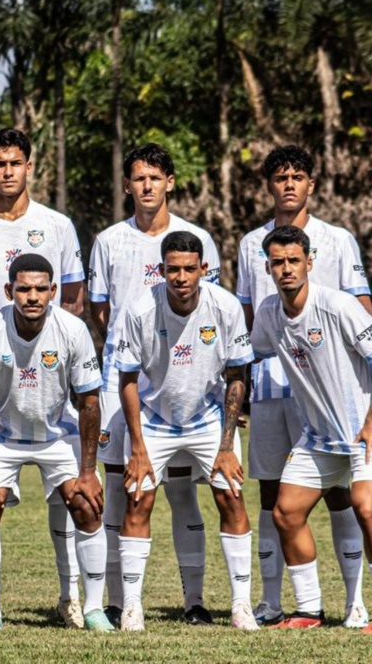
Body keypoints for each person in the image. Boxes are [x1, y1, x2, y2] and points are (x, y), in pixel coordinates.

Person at [0, 128, 87, 629]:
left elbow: (72, 296)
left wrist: (50, 348)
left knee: (67, 495)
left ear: (30, 167)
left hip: (50, 379)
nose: (8, 171)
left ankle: (71, 598)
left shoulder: (58, 225)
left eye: (16, 163)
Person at [237, 145, 371, 627]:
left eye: (293, 261)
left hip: (354, 416)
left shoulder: (337, 276)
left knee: (360, 506)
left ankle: (359, 605)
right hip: (298, 414)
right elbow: (244, 342)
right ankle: (298, 606)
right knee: (281, 506)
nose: (286, 268)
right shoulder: (264, 289)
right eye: (278, 263)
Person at [88, 143, 221, 625]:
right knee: (121, 489)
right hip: (120, 383)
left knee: (183, 491)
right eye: (138, 178)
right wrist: (132, 355)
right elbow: (101, 311)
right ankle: (119, 602)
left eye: (155, 177)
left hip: (182, 388)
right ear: (127, 185)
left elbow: (212, 310)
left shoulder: (196, 238)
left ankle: (195, 601)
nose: (146, 186)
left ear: (170, 182)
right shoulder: (108, 240)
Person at [114, 231, 258, 632]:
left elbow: (236, 376)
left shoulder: (225, 307)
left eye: (189, 269)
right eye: (172, 269)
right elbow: (126, 379)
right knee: (138, 501)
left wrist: (227, 446)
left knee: (230, 497)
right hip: (154, 418)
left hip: (207, 418)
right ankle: (131, 607)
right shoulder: (141, 308)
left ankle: (241, 606)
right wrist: (139, 446)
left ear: (203, 270)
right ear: (161, 271)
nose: (181, 277)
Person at [0, 253, 112, 633]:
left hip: (57, 435)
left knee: (87, 504)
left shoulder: (73, 330)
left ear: (53, 292)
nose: (32, 296)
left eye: (41, 289)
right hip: (0, 434)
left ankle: (90, 608)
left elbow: (90, 402)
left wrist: (90, 471)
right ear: (9, 290)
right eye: (24, 289)